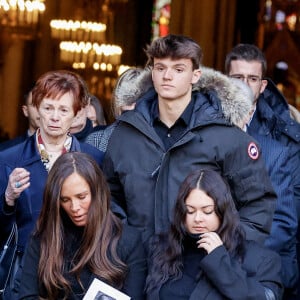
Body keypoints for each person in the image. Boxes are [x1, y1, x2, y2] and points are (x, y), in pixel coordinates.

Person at [102, 34, 276, 247]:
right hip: (137, 265)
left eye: (178, 69)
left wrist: (223, 251)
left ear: (195, 75)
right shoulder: (125, 133)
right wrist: (122, 242)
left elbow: (257, 204)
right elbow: (107, 197)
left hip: (198, 269)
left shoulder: (224, 136)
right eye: (160, 68)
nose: (167, 76)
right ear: (152, 73)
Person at [0, 70, 104, 298]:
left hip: (77, 270)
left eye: (63, 110)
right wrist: (7, 199)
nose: (55, 117)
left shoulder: (95, 159)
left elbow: (105, 216)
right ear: (37, 109)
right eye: (48, 108)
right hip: (25, 271)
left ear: (77, 114)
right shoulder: (8, 159)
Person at [195, 67, 298, 298]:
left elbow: (282, 221)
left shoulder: (271, 151)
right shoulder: (200, 147)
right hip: (201, 254)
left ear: (249, 111)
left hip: (251, 259)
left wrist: (231, 248)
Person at [225, 43, 300, 298]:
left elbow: (286, 219)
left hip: (263, 263)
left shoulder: (282, 135)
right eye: (237, 78)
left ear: (263, 85)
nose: (244, 85)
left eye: (252, 78)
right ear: (226, 81)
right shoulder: (205, 126)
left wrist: (236, 250)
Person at [18, 152, 147, 299]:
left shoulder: (129, 241)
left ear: (97, 192)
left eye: (81, 197)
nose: (74, 207)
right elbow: (27, 296)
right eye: (65, 199)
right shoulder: (43, 238)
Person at [145, 168, 283, 300]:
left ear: (222, 212)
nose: (198, 218)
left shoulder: (261, 259)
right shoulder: (162, 248)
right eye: (190, 211)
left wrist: (219, 260)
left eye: (207, 211)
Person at [85, 67, 153, 152]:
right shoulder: (96, 140)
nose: (133, 105)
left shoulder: (157, 142)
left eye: (138, 99)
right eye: (128, 98)